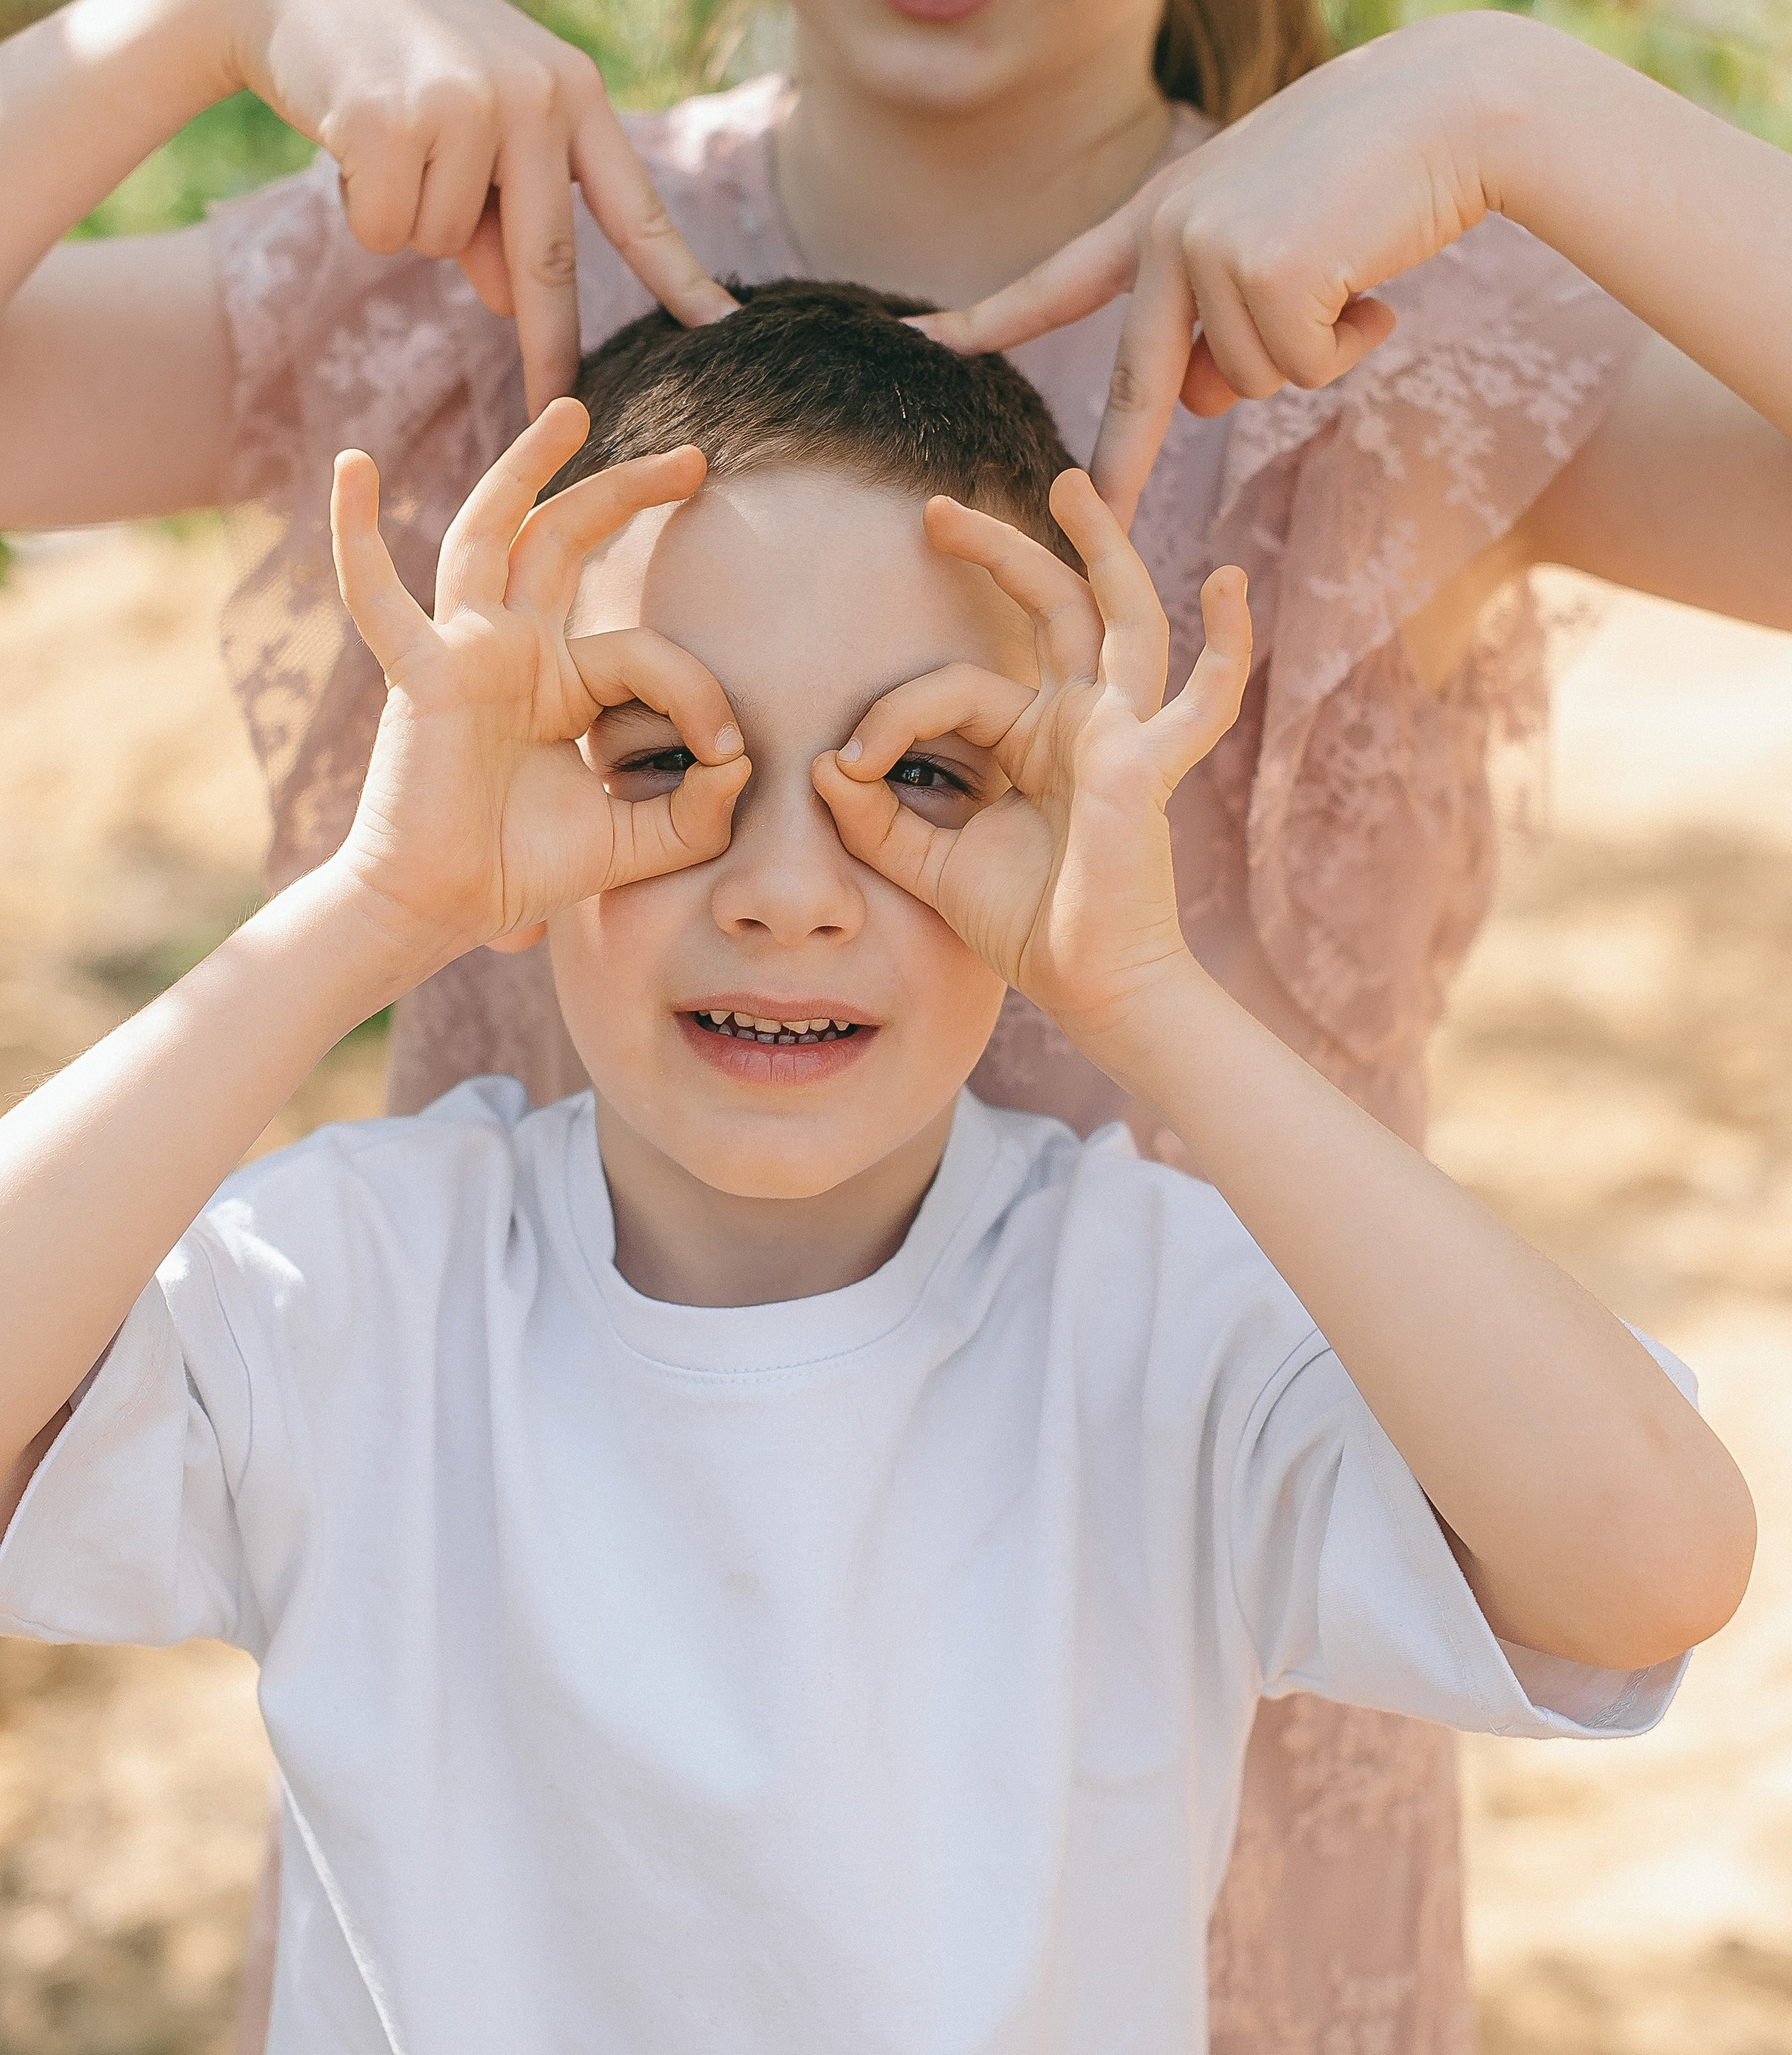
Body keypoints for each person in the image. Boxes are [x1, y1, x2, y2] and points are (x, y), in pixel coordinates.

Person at [1, 0, 1788, 2041]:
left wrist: (1512, 98)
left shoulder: (1386, 347)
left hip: (1199, 1759)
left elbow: (1636, 1550)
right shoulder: (478, 285)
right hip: (540, 1778)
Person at [0, 282, 1756, 2055]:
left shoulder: (1148, 1321)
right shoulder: (362, 1287)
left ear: (1061, 807)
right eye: (661, 757)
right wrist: (376, 910)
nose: (786, 890)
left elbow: (1649, 1563)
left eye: (923, 773)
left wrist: (1143, 996)